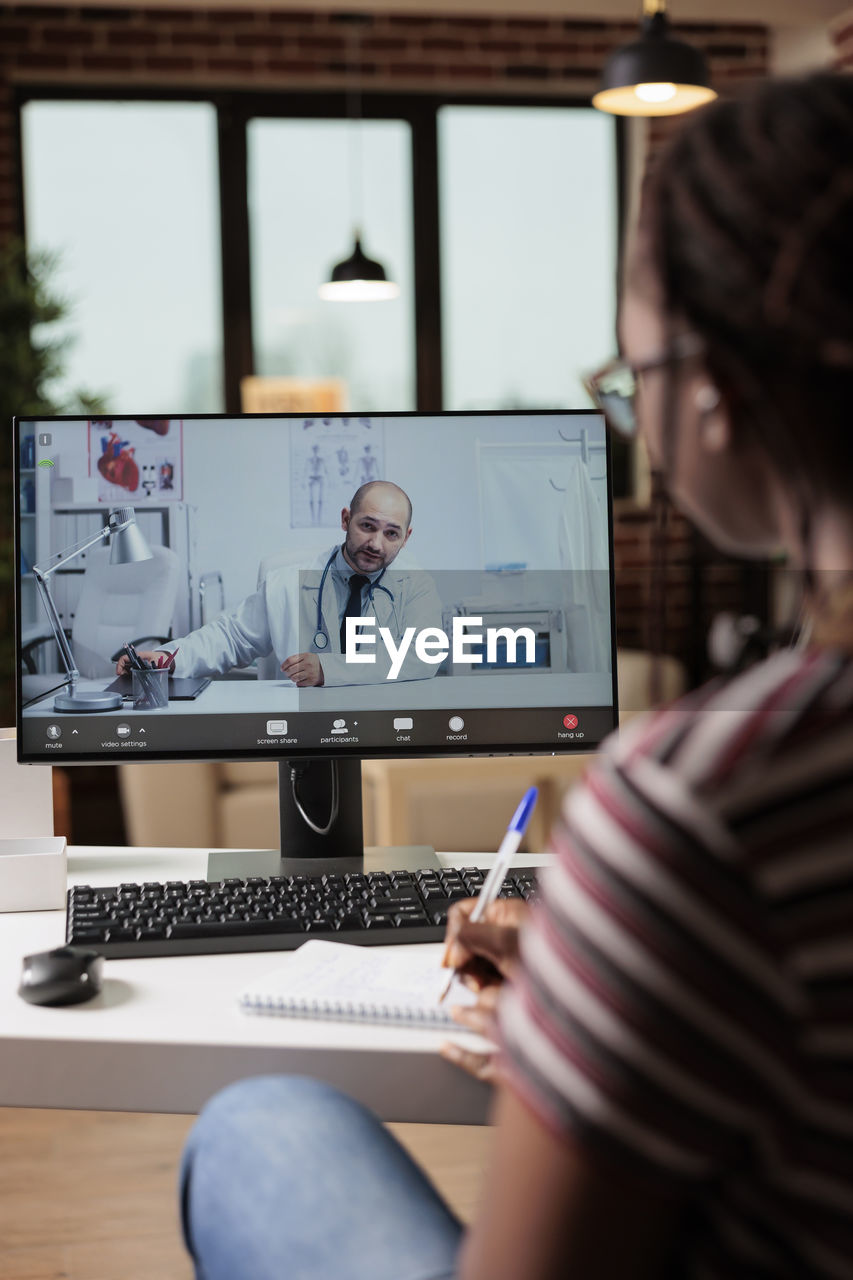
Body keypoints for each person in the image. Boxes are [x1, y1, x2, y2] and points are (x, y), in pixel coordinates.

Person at [178, 73, 853, 1279]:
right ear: (342, 517)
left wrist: (570, 1044)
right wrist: (618, 987)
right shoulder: (282, 581)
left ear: (711, 388)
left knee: (256, 1123)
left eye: (628, 375)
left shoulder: (700, 802)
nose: (629, 409)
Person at [116, 479, 443, 688]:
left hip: (383, 729)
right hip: (300, 729)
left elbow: (423, 655)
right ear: (345, 519)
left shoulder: (417, 586)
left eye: (391, 534)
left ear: (406, 537)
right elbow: (229, 638)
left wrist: (327, 670)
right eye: (367, 526)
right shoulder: (286, 582)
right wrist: (167, 658)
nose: (376, 543)